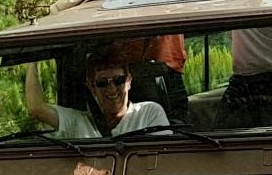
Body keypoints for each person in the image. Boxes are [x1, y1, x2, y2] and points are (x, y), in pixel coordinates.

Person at [23, 52, 169, 139]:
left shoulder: (149, 112)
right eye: (102, 83)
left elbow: (163, 159)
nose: (112, 89)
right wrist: (32, 61)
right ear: (92, 87)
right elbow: (36, 108)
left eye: (118, 81)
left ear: (129, 81)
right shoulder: (77, 121)